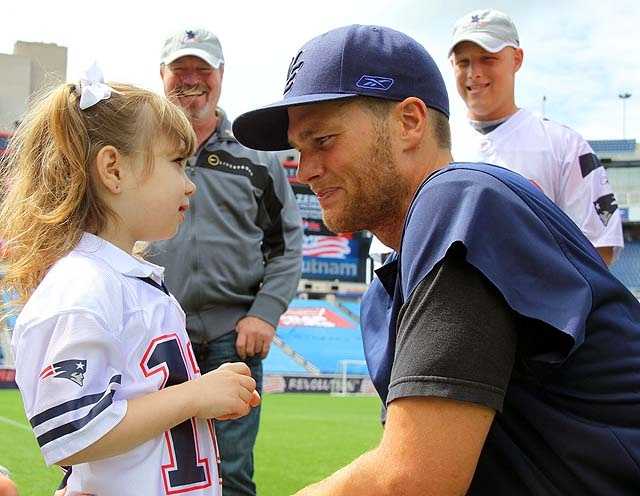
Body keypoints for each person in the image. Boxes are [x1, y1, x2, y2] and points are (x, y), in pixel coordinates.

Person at [232, 24, 640, 495]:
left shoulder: (460, 201)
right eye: (299, 150)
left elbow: (411, 480)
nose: (304, 171)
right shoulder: (386, 293)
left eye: (322, 140)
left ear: (409, 122)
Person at [0, 66, 260, 495]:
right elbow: (74, 432)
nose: (190, 185)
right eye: (177, 163)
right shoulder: (82, 286)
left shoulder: (129, 280)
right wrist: (196, 396)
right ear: (113, 170)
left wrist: (204, 398)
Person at [149, 29, 303, 496]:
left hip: (231, 338)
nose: (191, 80)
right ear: (162, 76)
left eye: (202, 70)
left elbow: (287, 245)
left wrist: (264, 313)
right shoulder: (142, 148)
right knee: (148, 463)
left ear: (220, 76)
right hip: (154, 336)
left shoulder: (258, 156)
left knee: (231, 472)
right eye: (180, 70)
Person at [448, 9, 623, 266]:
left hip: (535, 305)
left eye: (488, 58)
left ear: (516, 59)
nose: (474, 72)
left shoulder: (564, 145)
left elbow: (600, 248)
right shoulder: (434, 143)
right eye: (463, 62)